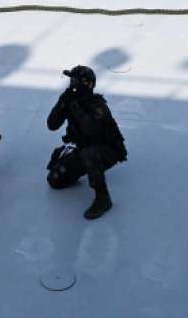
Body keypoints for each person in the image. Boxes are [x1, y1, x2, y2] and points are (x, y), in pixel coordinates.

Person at [46, 65, 127, 220]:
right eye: (72, 81)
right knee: (55, 179)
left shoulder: (97, 105)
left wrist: (76, 108)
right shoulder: (70, 99)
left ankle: (103, 198)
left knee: (89, 154)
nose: (73, 85)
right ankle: (80, 167)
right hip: (84, 148)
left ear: (88, 84)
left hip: (109, 150)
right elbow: (52, 125)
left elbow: (91, 131)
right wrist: (62, 103)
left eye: (76, 82)